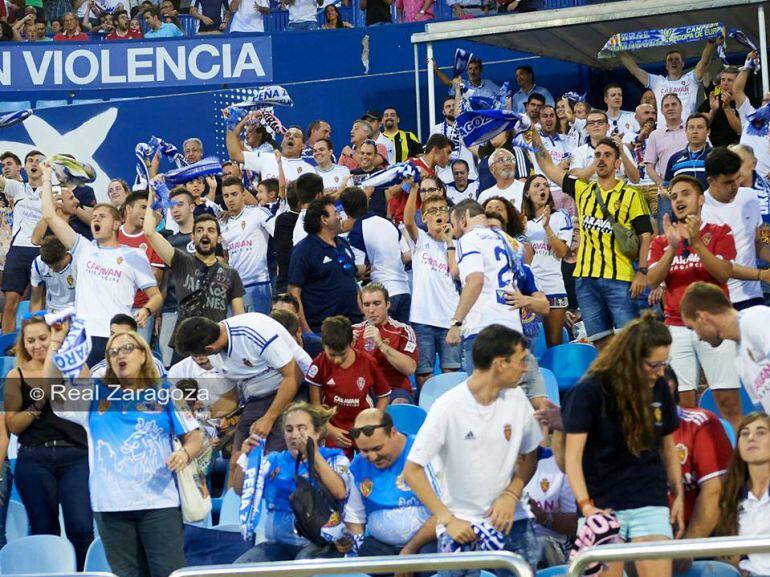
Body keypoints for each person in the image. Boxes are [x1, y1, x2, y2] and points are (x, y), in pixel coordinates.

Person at [45, 326, 202, 577]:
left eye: (127, 348)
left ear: (143, 354)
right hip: (110, 508)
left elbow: (194, 438)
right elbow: (52, 391)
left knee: (169, 573)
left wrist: (184, 454)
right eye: (113, 352)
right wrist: (54, 343)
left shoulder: (167, 391)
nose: (120, 355)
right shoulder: (94, 396)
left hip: (159, 505)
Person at [404, 325, 544, 574]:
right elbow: (412, 470)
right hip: (460, 525)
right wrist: (447, 520)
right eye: (521, 361)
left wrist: (511, 493)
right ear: (500, 363)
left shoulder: (518, 399)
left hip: (514, 522)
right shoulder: (447, 407)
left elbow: (530, 455)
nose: (525, 368)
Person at [562, 314, 684, 577]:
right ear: (631, 358)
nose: (660, 372)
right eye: (653, 365)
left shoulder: (660, 387)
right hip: (601, 503)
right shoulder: (589, 391)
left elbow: (668, 448)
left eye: (664, 364)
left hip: (649, 500)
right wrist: (586, 506)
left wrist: (678, 495)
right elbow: (573, 458)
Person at [534, 131, 652, 347]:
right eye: (597, 154)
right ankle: (610, 382)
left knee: (630, 342)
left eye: (607, 155)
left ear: (617, 163)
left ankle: (633, 381)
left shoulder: (631, 195)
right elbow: (548, 167)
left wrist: (642, 272)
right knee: (600, 342)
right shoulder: (582, 189)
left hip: (620, 277)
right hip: (585, 279)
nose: (601, 158)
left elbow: (646, 235)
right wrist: (534, 135)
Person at [41, 164, 162, 367]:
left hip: (117, 337)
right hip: (83, 337)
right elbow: (49, 215)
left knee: (114, 395)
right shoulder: (83, 248)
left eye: (102, 216)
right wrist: (46, 178)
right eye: (94, 217)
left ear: (116, 224)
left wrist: (146, 311)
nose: (95, 219)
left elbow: (156, 296)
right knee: (82, 395)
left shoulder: (134, 255)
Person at [646, 175, 741, 426]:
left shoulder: (720, 232)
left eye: (685, 194)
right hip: (676, 327)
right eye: (674, 196)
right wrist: (671, 247)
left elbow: (723, 272)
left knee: (727, 400)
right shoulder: (661, 241)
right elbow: (653, 280)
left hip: (715, 325)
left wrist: (695, 243)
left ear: (700, 200)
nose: (678, 200)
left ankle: (736, 461)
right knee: (683, 404)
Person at [4, 315, 93, 569]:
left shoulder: (77, 367)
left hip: (75, 456)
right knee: (44, 528)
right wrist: (40, 401)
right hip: (34, 458)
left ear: (54, 338)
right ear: (23, 343)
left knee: (81, 526)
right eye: (30, 341)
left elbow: (85, 402)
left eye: (42, 338)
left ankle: (84, 573)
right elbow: (13, 425)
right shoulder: (16, 374)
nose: (37, 345)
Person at [447, 200, 549, 401]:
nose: (455, 231)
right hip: (513, 332)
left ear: (464, 218)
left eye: (454, 224)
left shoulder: (468, 239)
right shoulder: (510, 241)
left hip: (483, 333)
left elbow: (475, 281)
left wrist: (456, 323)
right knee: (536, 405)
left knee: (487, 405)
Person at [232, 402, 351, 562]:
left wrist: (312, 454)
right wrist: (246, 458)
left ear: (317, 432)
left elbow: (340, 491)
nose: (295, 435)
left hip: (321, 542)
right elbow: (240, 489)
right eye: (289, 429)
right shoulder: (273, 460)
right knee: (239, 568)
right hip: (278, 545)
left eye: (302, 428)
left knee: (299, 568)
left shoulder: (335, 458)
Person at [175, 313, 308, 454]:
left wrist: (268, 419)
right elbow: (231, 399)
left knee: (271, 455)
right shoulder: (215, 354)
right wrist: (200, 415)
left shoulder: (253, 331)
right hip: (257, 397)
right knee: (238, 458)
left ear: (208, 349)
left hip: (294, 387)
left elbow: (294, 375)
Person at [143, 190, 246, 363]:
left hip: (214, 345)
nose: (205, 234)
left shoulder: (230, 273)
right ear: (193, 236)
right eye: (200, 230)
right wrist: (153, 200)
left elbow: (239, 317)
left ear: (219, 238)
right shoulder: (181, 262)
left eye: (211, 230)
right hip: (184, 346)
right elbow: (149, 232)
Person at [344, 408, 438, 557]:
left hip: (427, 542)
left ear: (393, 433)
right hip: (380, 546)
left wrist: (409, 549)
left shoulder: (423, 453)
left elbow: (443, 514)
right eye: (365, 451)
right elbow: (355, 519)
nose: (373, 457)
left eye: (377, 448)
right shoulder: (357, 466)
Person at [662, 368, 731, 557]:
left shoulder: (700, 424)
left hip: (701, 543)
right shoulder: (623, 432)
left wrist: (686, 550)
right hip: (641, 546)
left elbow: (714, 493)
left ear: (668, 388)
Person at [680, 282, 770, 414]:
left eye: (692, 328)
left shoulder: (756, 319)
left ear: (701, 317)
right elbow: (762, 412)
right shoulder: (739, 357)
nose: (698, 337)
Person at [307, 316, 390, 454]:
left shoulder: (367, 362)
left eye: (342, 354)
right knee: (339, 471)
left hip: (364, 427)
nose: (337, 360)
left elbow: (383, 395)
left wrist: (374, 422)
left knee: (370, 466)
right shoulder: (318, 364)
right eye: (332, 354)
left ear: (351, 343)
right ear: (323, 345)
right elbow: (316, 405)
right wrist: (329, 429)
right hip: (335, 429)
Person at [404, 188, 460, 389]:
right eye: (432, 210)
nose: (438, 214)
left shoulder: (459, 245)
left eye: (442, 209)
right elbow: (408, 220)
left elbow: (457, 274)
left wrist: (450, 242)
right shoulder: (419, 240)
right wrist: (414, 190)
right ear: (424, 217)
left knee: (451, 371)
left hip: (450, 318)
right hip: (422, 318)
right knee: (423, 371)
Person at [701, 147, 770, 311]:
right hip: (719, 300)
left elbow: (759, 241)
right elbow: (719, 266)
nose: (735, 186)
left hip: (753, 295)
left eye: (737, 178)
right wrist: (762, 275)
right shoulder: (701, 210)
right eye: (728, 182)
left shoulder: (750, 197)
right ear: (711, 181)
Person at [288, 197, 362, 334]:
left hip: (354, 324)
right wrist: (306, 331)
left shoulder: (343, 243)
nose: (340, 217)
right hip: (324, 330)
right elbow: (294, 292)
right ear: (324, 219)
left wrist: (363, 314)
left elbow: (352, 280)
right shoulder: (303, 250)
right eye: (336, 213)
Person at [340, 187, 411, 322]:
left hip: (382, 295)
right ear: (367, 203)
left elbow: (360, 269)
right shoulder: (388, 223)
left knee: (382, 340)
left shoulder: (357, 231)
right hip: (404, 290)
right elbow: (407, 256)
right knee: (403, 339)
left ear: (345, 211)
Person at [716, 413, 770, 577]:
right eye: (745, 433)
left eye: (761, 432)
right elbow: (727, 554)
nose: (751, 438)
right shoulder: (731, 494)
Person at [522, 174, 573, 347]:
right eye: (536, 185)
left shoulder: (560, 216)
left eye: (545, 185)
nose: (542, 188)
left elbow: (562, 253)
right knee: (528, 344)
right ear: (527, 193)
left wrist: (547, 227)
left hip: (553, 286)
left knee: (554, 343)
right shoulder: (521, 222)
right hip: (529, 289)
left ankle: (551, 374)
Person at [620, 41, 717, 127]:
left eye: (677, 59)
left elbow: (704, 62)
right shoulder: (657, 81)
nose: (673, 62)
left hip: (687, 131)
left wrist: (711, 43)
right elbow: (634, 70)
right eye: (670, 60)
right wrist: (618, 49)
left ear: (683, 63)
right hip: (664, 132)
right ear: (666, 66)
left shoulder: (691, 79)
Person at [0, 150, 44, 334]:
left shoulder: (52, 191)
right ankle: (5, 347)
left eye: (39, 161)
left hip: (41, 251)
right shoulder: (17, 188)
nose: (34, 164)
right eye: (30, 161)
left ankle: (34, 343)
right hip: (18, 250)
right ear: (24, 167)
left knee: (37, 303)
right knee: (10, 302)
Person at [351, 283, 418, 404]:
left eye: (377, 304)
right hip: (361, 389)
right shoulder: (352, 332)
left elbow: (410, 368)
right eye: (366, 305)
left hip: (394, 389)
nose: (371, 310)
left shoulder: (402, 330)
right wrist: (346, 348)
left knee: (400, 402)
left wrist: (381, 344)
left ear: (387, 304)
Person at [220, 177, 275, 314]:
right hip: (234, 290)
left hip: (258, 284)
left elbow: (280, 236)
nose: (230, 199)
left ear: (243, 195)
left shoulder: (258, 213)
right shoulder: (222, 223)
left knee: (259, 331)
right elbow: (226, 257)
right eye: (226, 195)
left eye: (234, 194)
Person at [118, 191, 166, 345]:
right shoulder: (112, 236)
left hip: (142, 309)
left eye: (149, 208)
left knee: (139, 357)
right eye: (143, 207)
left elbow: (156, 277)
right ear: (129, 209)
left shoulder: (155, 239)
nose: (147, 213)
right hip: (115, 306)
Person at [89, 313, 167, 379]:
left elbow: (164, 394)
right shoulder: (98, 372)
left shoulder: (153, 366)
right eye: (113, 334)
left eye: (122, 335)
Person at [662, 113, 712, 188]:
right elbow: (666, 186)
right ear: (686, 131)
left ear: (708, 131)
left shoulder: (717, 156)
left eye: (700, 127)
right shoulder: (674, 158)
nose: (695, 131)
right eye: (691, 127)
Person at [29, 235, 76, 314]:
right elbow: (36, 300)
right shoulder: (38, 263)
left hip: (76, 310)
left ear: (66, 256)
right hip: (52, 311)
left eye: (57, 266)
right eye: (49, 266)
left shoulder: (79, 264)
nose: (53, 270)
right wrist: (35, 321)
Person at [698, 66, 741, 148]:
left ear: (738, 82)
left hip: (736, 148)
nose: (725, 83)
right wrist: (713, 110)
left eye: (730, 80)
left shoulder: (744, 101)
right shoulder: (713, 99)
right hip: (713, 149)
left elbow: (739, 130)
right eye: (723, 79)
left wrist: (727, 108)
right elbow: (701, 126)